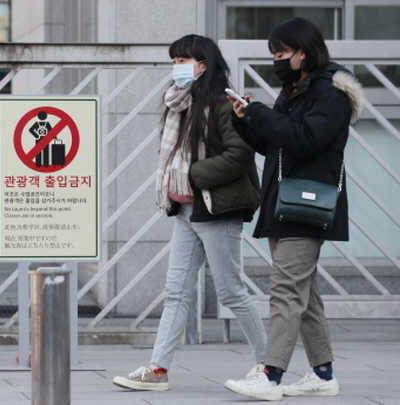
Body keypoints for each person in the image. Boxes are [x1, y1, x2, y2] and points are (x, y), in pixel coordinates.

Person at [112, 34, 267, 392]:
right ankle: (158, 370)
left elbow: (240, 155)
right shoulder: (179, 103)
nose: (176, 67)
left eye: (183, 60)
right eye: (174, 60)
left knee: (230, 291)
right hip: (185, 210)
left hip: (216, 210)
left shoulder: (225, 105)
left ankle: (267, 364)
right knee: (177, 292)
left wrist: (194, 175)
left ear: (203, 65)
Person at [223, 17, 363, 401]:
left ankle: (270, 375)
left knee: (285, 289)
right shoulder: (295, 88)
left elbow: (305, 140)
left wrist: (262, 114)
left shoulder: (331, 92)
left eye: (282, 53)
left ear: (304, 52)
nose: (277, 60)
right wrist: (246, 121)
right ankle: (322, 374)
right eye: (273, 54)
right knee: (304, 292)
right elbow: (275, 145)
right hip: (284, 202)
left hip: (308, 203)